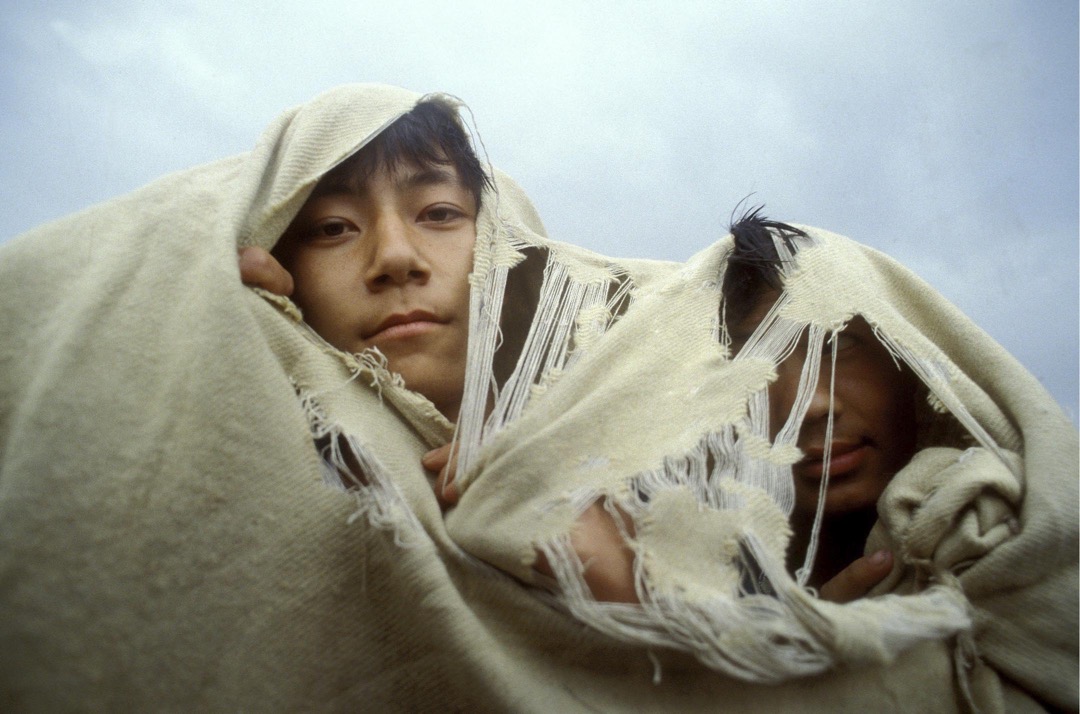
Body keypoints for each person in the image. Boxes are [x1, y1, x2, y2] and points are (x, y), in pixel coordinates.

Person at [3, 84, 1074, 711]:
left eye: (438, 213)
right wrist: (214, 298)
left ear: (507, 247)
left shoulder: (625, 380)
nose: (390, 258)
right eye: (329, 228)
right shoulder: (307, 396)